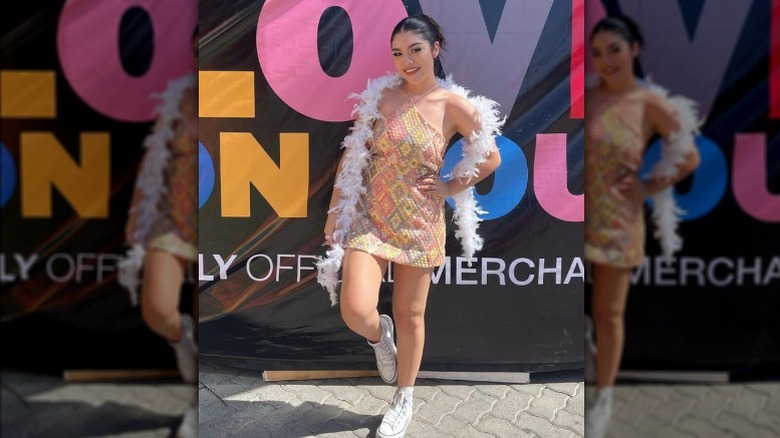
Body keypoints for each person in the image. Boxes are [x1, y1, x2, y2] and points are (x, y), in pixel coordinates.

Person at [315, 14, 503, 438]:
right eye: (398, 53)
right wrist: (335, 212)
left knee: (410, 314)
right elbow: (352, 157)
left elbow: (490, 157)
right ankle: (380, 337)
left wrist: (450, 185)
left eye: (415, 50)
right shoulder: (381, 97)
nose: (407, 61)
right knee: (356, 309)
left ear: (435, 48)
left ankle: (403, 397)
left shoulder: (455, 105)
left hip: (419, 221)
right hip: (370, 217)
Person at [584, 15, 701, 438]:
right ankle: (590, 362)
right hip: (575, 217)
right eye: (597, 53)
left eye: (614, 49)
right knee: (581, 310)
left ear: (634, 49)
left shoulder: (650, 104)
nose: (605, 60)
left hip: (618, 221)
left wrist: (649, 186)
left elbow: (688, 156)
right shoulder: (588, 96)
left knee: (609, 313)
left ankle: (604, 396)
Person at [118, 27, 199, 438]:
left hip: (226, 223)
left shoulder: (243, 89)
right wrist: (140, 215)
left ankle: (196, 406)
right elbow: (156, 160)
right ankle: (182, 340)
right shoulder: (179, 98)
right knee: (157, 308)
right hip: (176, 219)